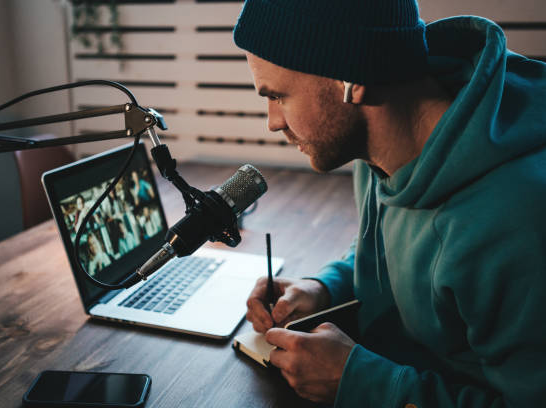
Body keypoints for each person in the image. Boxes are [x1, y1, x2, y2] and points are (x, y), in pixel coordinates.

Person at [234, 1, 546, 407]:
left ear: (352, 78)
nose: (273, 121)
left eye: (278, 95)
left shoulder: (515, 220)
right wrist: (323, 288)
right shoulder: (379, 145)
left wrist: (365, 384)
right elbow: (393, 255)